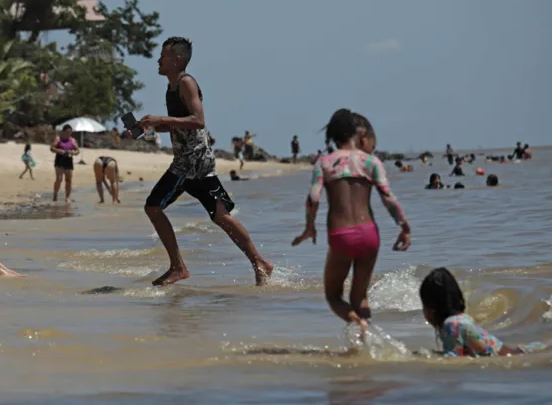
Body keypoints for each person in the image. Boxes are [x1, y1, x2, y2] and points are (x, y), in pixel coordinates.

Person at [139, 36, 273, 286]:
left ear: (176, 60)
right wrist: (153, 126)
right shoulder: (171, 87)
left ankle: (178, 267)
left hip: (191, 162)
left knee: (153, 207)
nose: (158, 60)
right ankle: (260, 263)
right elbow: (182, 125)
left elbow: (199, 120)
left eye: (163, 56)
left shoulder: (185, 83)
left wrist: (161, 120)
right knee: (220, 216)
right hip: (194, 160)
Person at [291, 109, 410, 332]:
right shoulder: (371, 162)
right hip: (369, 234)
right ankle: (369, 340)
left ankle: (359, 324)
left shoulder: (325, 163)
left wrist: (309, 227)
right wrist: (404, 226)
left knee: (334, 295)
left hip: (341, 235)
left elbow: (313, 197)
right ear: (359, 133)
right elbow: (388, 197)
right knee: (360, 296)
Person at [420, 267, 549, 357]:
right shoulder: (461, 319)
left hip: (513, 357)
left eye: (424, 305)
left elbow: (453, 361)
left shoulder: (452, 325)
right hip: (520, 352)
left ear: (432, 308)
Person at [51, 124, 78, 203]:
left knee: (68, 180)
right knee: (59, 179)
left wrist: (73, 152)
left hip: (69, 161)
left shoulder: (72, 140)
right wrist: (59, 151)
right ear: (63, 131)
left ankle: (67, 197)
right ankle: (55, 195)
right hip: (59, 160)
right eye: (67, 132)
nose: (68, 134)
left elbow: (77, 150)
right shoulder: (58, 139)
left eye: (70, 132)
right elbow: (52, 148)